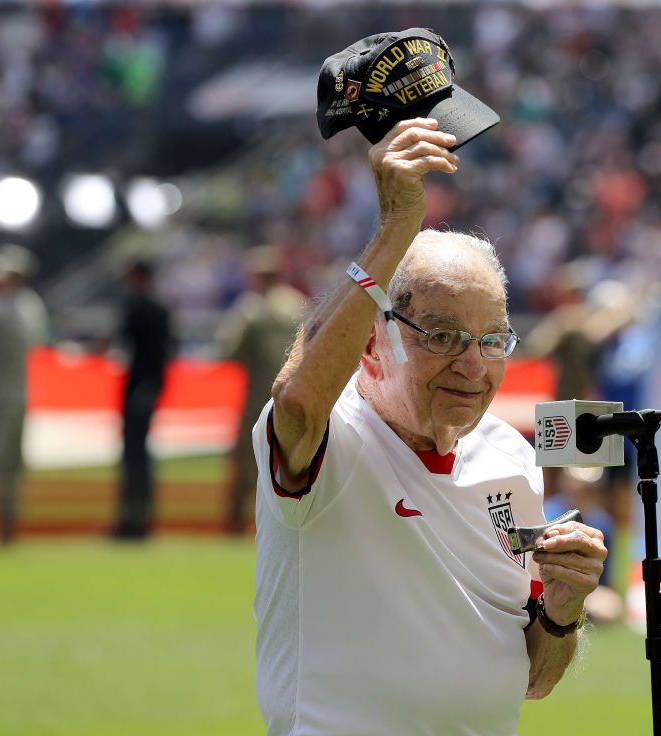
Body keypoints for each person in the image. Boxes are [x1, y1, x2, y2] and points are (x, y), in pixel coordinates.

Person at [253, 119, 607, 735]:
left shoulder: (509, 455)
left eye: (492, 340)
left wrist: (563, 608)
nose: (473, 366)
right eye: (443, 337)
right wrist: (394, 229)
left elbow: (535, 679)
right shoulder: (330, 436)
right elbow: (299, 400)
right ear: (372, 345)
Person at [214, 244, 304, 534]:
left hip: (258, 401)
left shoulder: (250, 311)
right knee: (294, 463)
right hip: (297, 400)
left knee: (247, 462)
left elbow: (228, 351)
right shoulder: (299, 306)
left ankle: (237, 526)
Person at [0, 244, 48, 544]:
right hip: (20, 398)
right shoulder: (33, 307)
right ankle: (7, 526)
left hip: (0, 398)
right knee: (12, 465)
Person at [113, 260, 172, 540]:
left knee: (134, 455)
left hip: (138, 390)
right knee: (140, 455)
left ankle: (133, 519)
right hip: (149, 389)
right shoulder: (161, 310)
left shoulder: (138, 309)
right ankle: (140, 516)